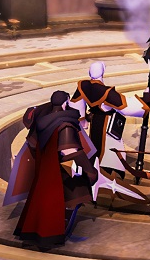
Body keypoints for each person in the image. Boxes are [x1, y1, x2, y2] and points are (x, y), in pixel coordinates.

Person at [11, 90, 98, 247]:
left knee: (39, 198)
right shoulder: (64, 124)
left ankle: (31, 232)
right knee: (53, 199)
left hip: (43, 167)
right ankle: (47, 236)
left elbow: (32, 143)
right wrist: (90, 170)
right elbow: (70, 151)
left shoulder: (42, 118)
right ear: (65, 103)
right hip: (53, 171)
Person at [70, 61, 150, 179]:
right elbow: (126, 107)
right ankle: (107, 177)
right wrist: (145, 100)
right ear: (103, 72)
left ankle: (95, 172)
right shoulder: (107, 92)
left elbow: (76, 107)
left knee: (95, 148)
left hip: (94, 122)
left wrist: (84, 120)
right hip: (108, 126)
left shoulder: (83, 86)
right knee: (109, 153)